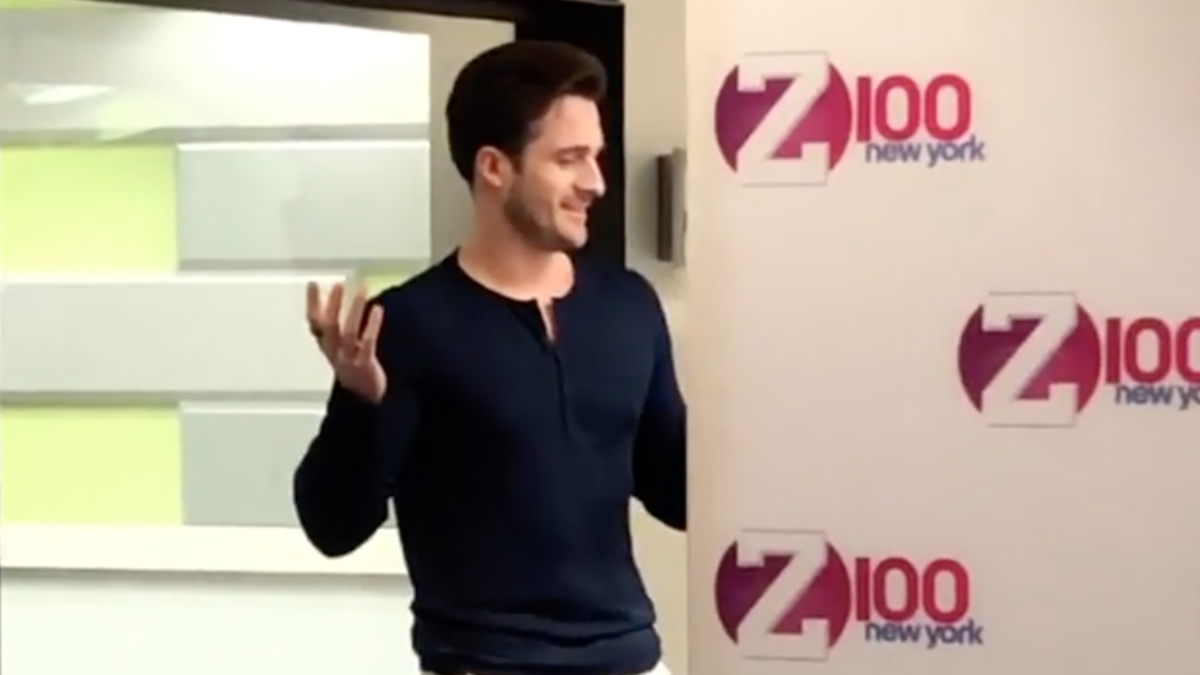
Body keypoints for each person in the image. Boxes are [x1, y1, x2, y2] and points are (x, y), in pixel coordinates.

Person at [293, 40, 686, 675]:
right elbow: (332, 528)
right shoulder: (407, 325)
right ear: (494, 167)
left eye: (596, 156)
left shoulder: (629, 306)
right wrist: (361, 403)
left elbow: (678, 493)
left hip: (630, 658)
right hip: (485, 661)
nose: (596, 182)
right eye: (569, 159)